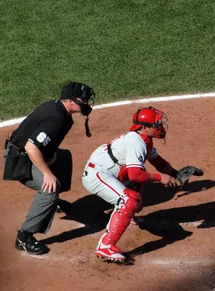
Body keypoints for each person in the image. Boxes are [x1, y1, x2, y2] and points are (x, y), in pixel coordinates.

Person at [3, 81, 95, 255]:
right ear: (70, 101)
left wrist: (49, 153)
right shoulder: (56, 118)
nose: (86, 103)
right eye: (83, 100)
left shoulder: (59, 109)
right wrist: (47, 173)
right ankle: (25, 236)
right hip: (19, 161)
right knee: (50, 189)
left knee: (63, 158)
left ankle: (51, 204)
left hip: (26, 152)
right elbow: (31, 147)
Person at [81, 106, 180, 263]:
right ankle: (105, 246)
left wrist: (176, 174)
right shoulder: (136, 142)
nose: (160, 127)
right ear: (144, 127)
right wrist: (160, 177)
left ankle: (125, 215)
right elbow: (135, 175)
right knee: (130, 199)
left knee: (136, 189)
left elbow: (157, 161)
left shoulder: (145, 140)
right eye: (156, 125)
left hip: (113, 173)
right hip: (98, 174)